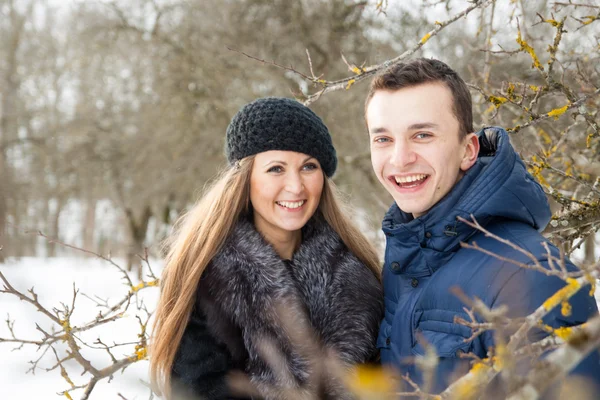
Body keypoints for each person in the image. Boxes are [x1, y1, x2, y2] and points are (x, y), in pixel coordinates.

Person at [364, 58, 600, 395]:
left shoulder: (532, 274)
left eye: (422, 135)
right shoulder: (402, 261)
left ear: (468, 149)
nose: (400, 159)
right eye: (383, 139)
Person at [150, 97, 383, 400]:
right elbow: (200, 388)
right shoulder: (206, 276)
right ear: (246, 178)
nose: (296, 186)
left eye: (308, 167)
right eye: (276, 169)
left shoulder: (357, 273)